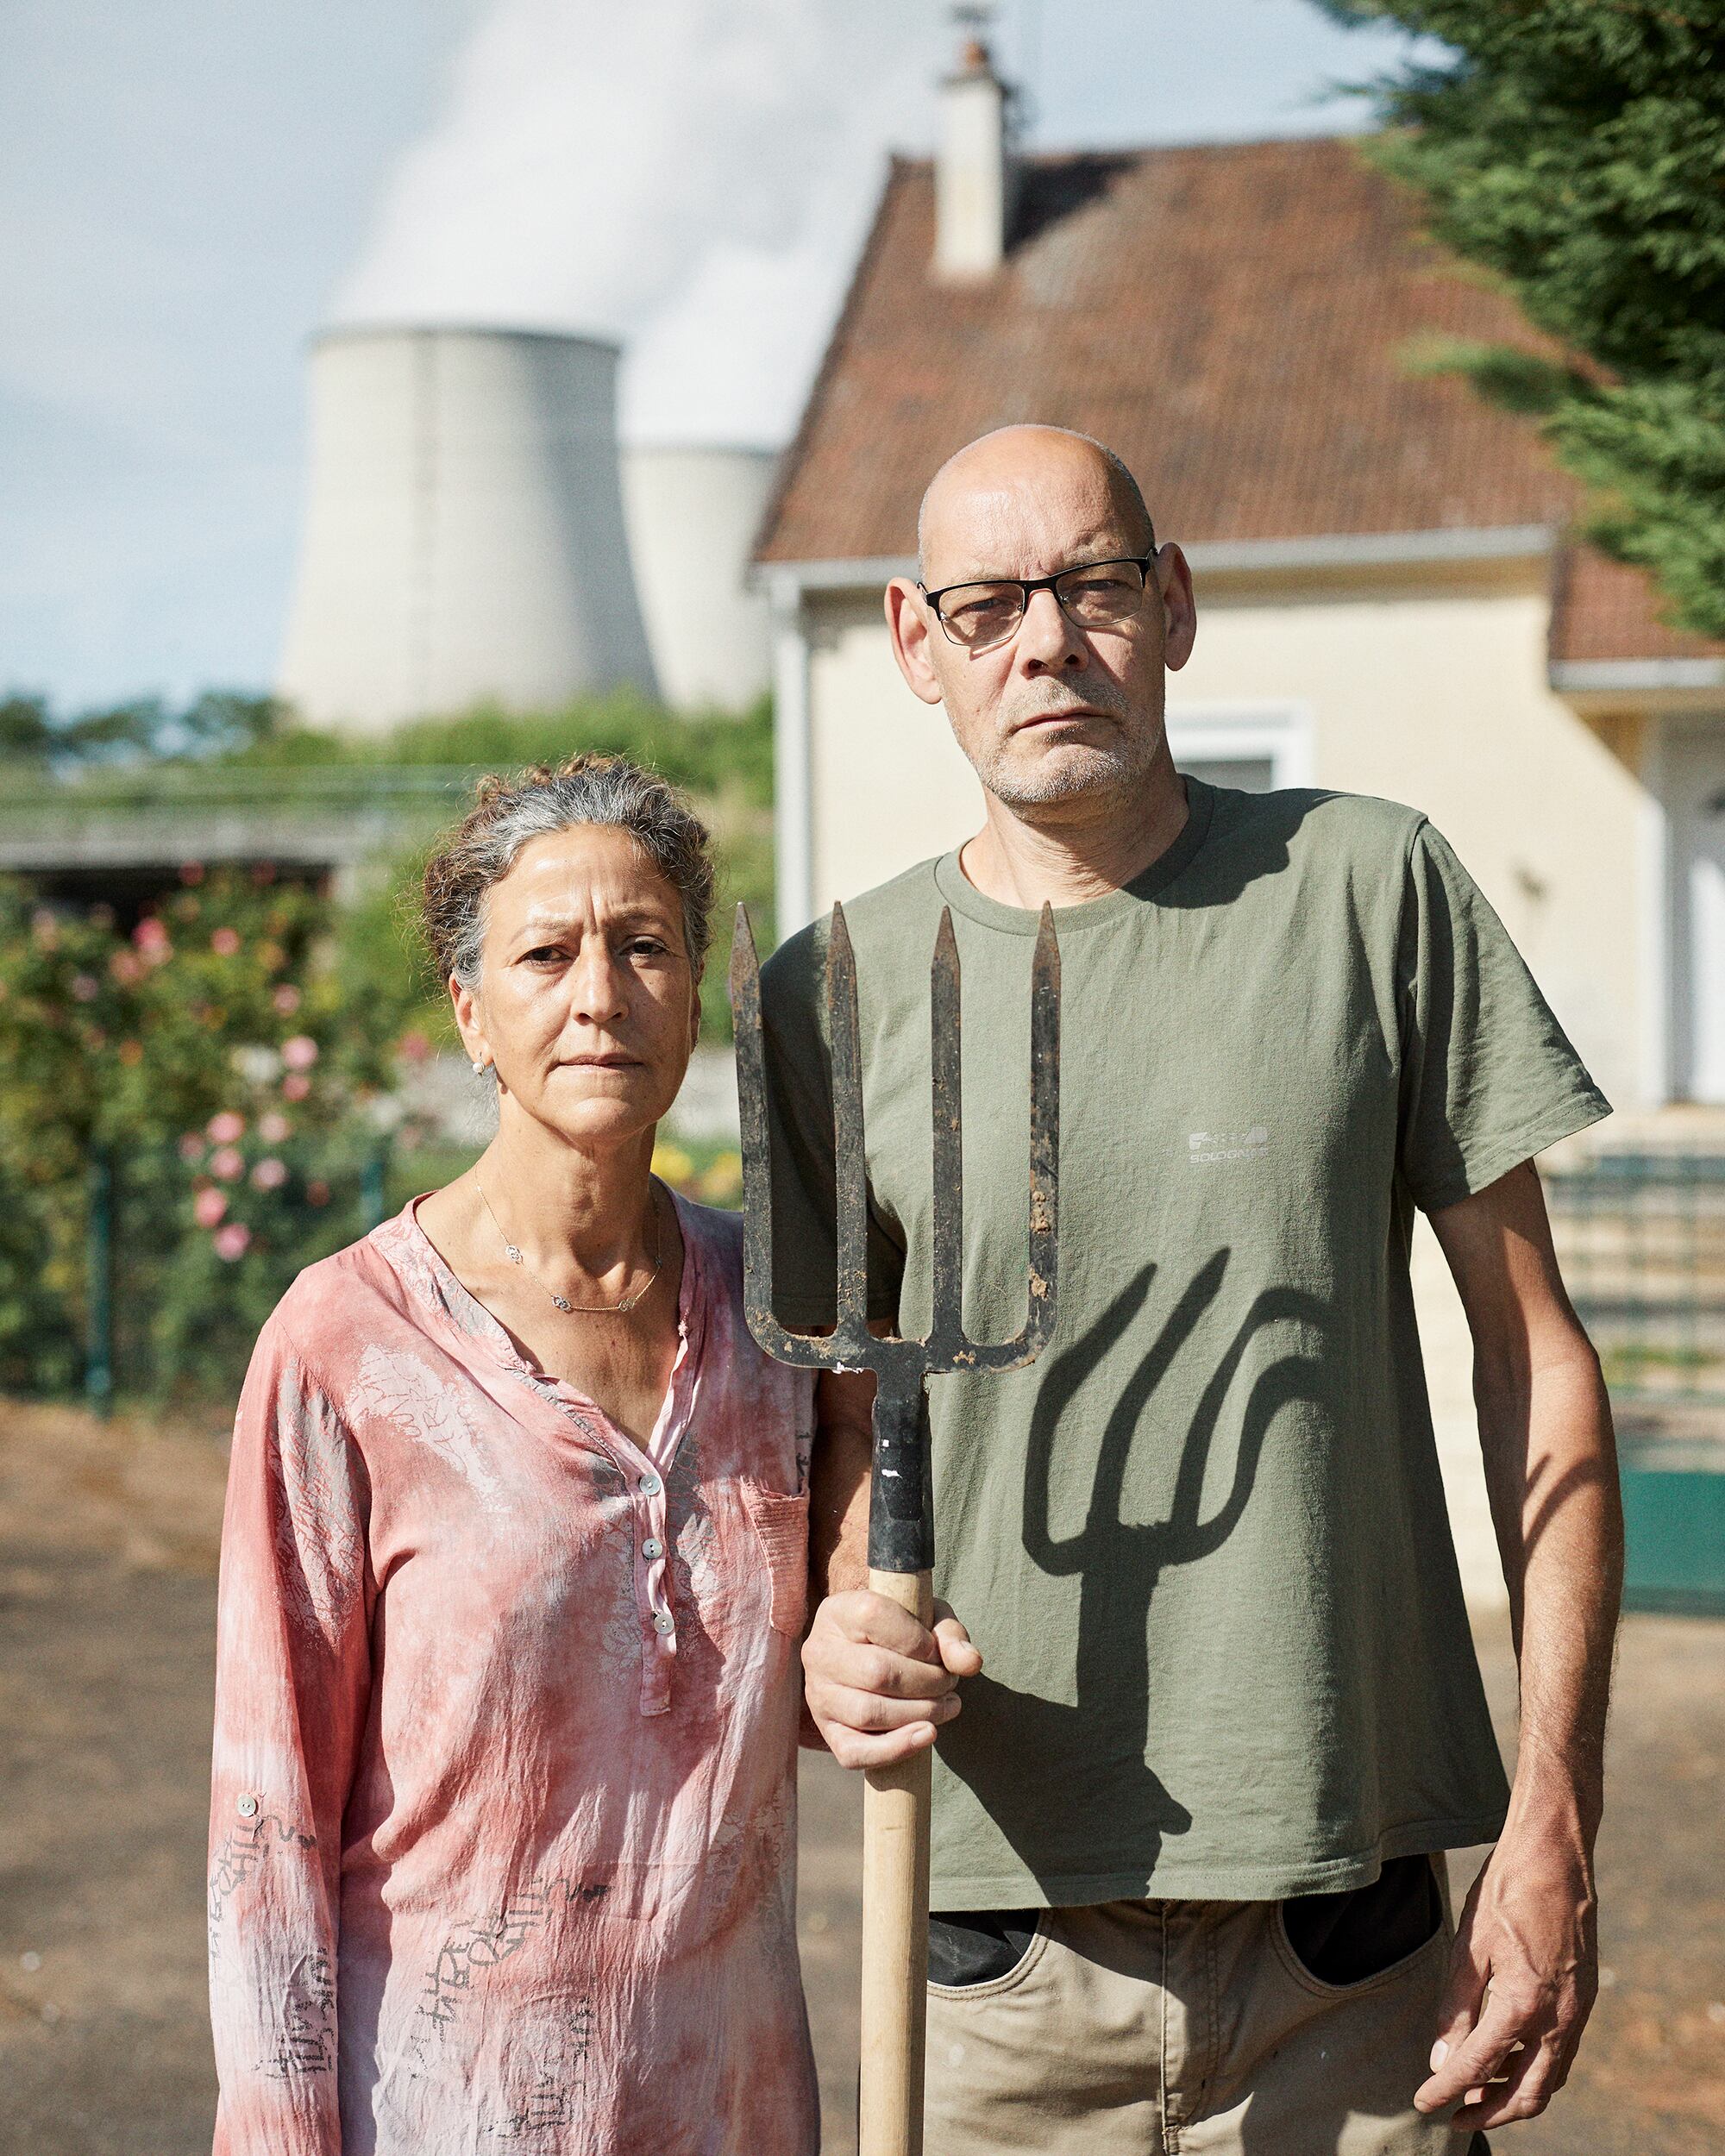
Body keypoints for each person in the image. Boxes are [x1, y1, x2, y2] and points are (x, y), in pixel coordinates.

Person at [761, 426, 1622, 2153]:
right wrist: (842, 1617)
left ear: (1172, 603)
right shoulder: (833, 994)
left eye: (1090, 585)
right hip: (989, 1944)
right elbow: (847, 1430)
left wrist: (1555, 1820)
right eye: (987, 604)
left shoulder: (1372, 889)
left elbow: (1532, 1361)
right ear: (916, 642)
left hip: (1349, 1950)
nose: (1045, 643)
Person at [208, 755, 819, 2154]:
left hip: (730, 2106)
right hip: (437, 2113)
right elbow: (267, 1827)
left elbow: (840, 1658)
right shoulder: (345, 1346)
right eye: (546, 954)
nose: (599, 994)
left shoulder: (779, 1323)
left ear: (692, 992)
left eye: (643, 945)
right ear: (473, 1018)